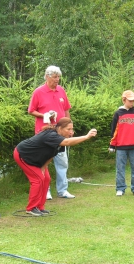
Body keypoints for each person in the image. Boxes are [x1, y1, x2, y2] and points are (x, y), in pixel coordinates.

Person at [14, 117, 97, 216]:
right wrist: (87, 136)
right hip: (23, 155)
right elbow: (67, 142)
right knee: (38, 179)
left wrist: (43, 168)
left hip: (38, 160)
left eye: (72, 129)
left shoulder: (60, 139)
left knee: (46, 179)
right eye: (68, 129)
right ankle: (31, 208)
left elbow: (52, 154)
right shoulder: (51, 135)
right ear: (60, 128)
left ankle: (40, 207)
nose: (71, 132)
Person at [28, 65, 79, 200]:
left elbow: (66, 109)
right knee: (44, 162)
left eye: (58, 77)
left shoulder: (61, 90)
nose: (57, 80)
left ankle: (63, 190)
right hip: (44, 134)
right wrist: (44, 115)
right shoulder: (38, 92)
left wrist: (69, 128)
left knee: (62, 161)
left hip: (60, 133)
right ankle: (46, 191)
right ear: (47, 76)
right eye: (55, 77)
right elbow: (31, 110)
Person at [108, 90, 134, 196]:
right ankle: (120, 188)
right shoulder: (118, 114)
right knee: (120, 169)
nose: (132, 103)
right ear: (124, 100)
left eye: (133, 101)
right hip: (121, 146)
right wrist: (112, 145)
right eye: (130, 100)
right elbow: (114, 130)